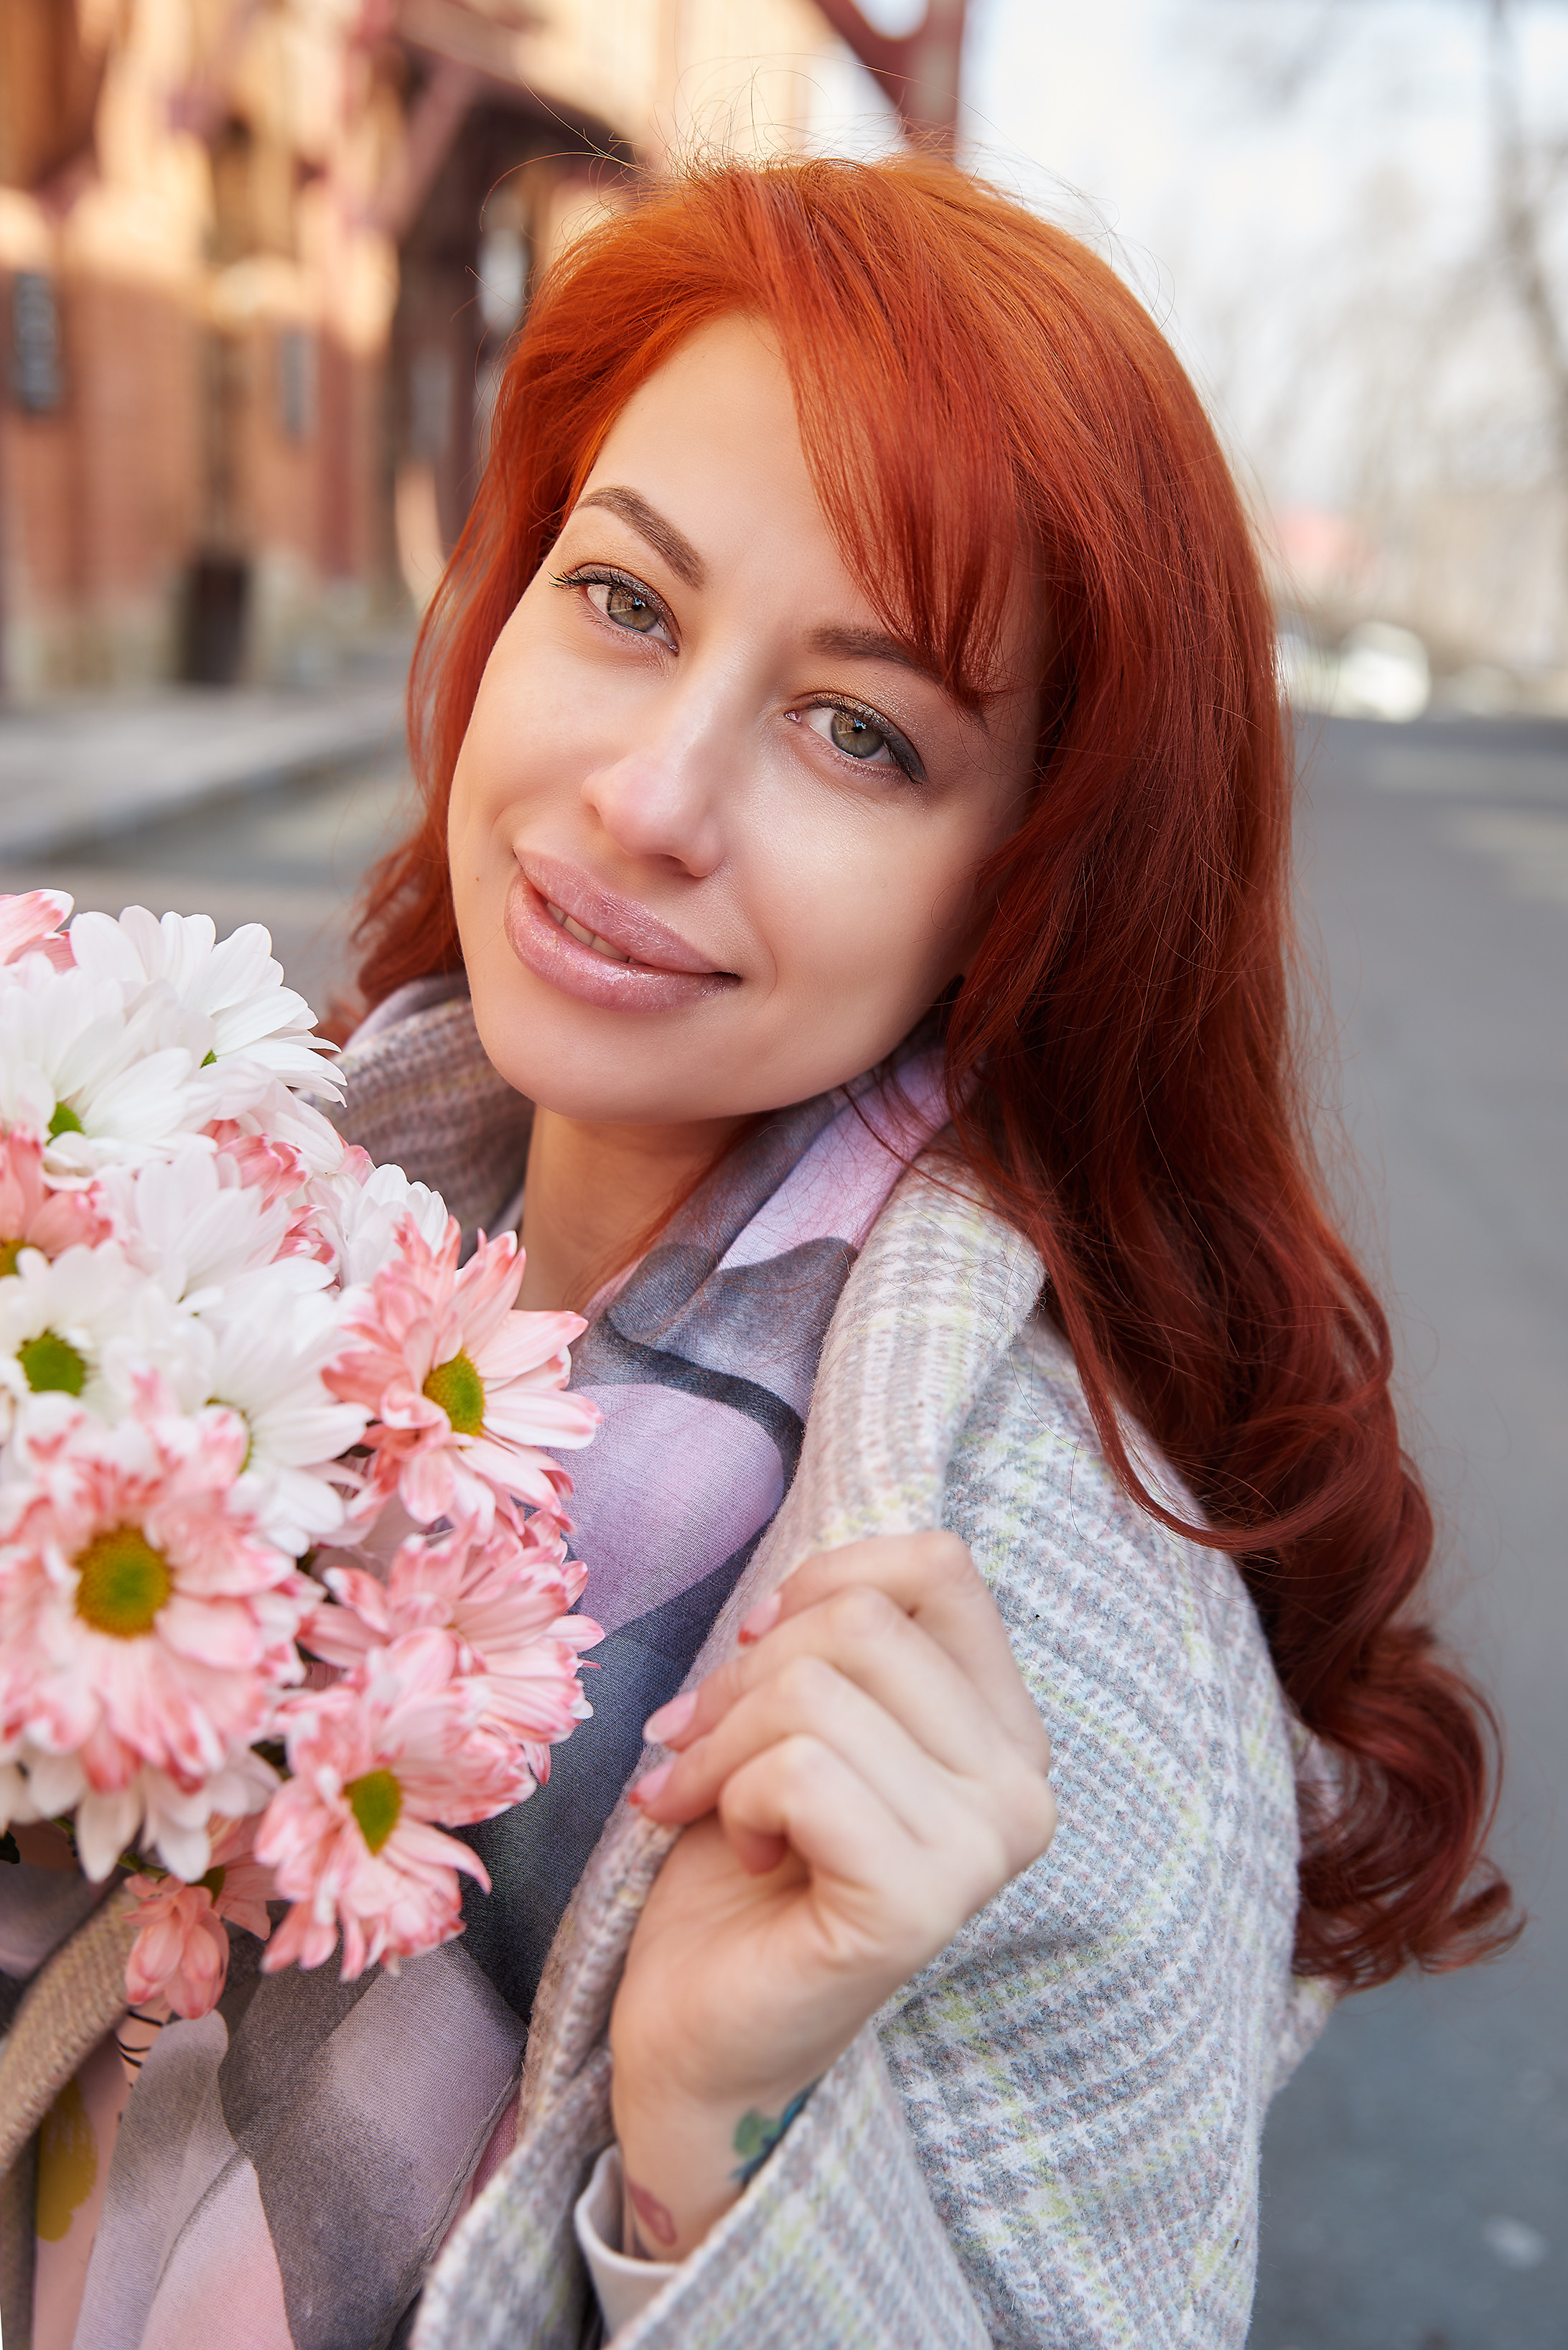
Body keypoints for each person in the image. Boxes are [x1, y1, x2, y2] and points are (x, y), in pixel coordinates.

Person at [1, 154, 1513, 2350]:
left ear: (1020, 894)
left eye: (859, 730)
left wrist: (723, 2145)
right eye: (626, 600)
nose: (648, 794)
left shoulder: (1052, 1629)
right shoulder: (278, 1202)